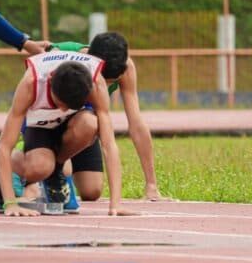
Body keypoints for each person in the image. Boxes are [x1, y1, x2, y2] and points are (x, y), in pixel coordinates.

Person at [0, 50, 136, 217]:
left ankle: (56, 170)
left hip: (73, 124)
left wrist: (116, 203)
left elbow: (109, 144)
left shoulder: (96, 83)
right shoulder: (32, 82)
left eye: (69, 106)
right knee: (39, 168)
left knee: (90, 123)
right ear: (50, 80)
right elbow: (6, 144)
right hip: (41, 126)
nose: (62, 109)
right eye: (59, 103)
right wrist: (10, 203)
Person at [47, 32, 172, 202]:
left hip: (84, 132)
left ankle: (57, 165)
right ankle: (32, 169)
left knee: (92, 191)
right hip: (52, 125)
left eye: (111, 82)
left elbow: (136, 123)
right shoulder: (64, 57)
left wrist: (151, 185)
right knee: (86, 127)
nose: (103, 86)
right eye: (101, 79)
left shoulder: (125, 68)